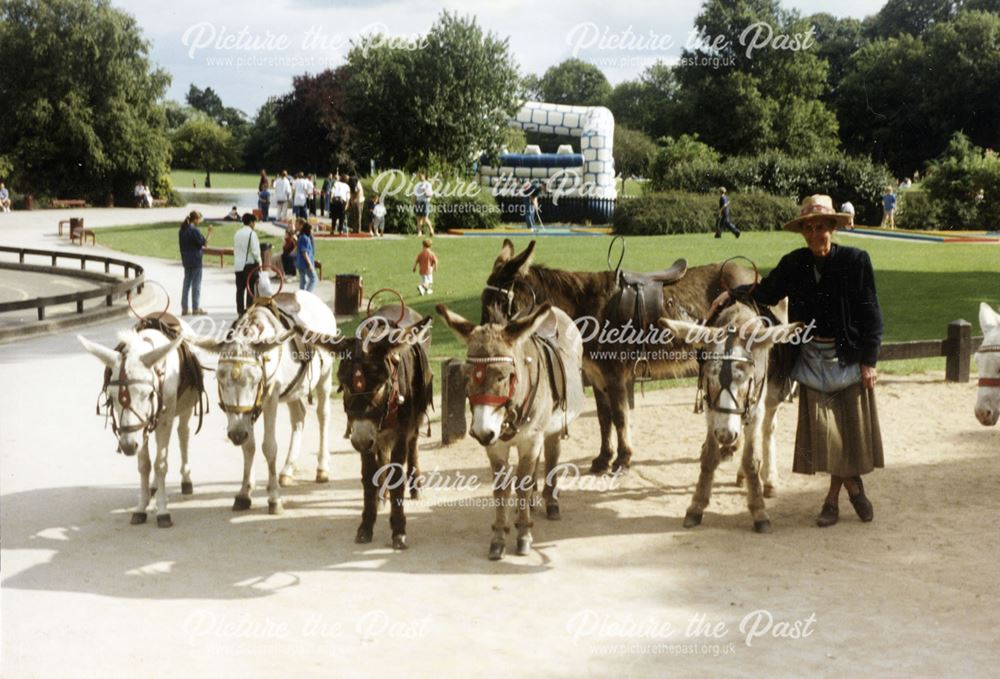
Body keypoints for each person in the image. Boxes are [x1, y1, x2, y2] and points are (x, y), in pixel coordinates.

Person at [709, 194, 884, 528]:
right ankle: (853, 488)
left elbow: (871, 313)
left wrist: (870, 361)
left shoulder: (856, 261)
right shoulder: (795, 263)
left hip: (848, 357)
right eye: (810, 228)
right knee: (826, 436)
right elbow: (765, 292)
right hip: (812, 358)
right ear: (803, 232)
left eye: (822, 227)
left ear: (833, 228)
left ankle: (833, 500)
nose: (816, 234)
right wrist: (731, 294)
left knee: (847, 435)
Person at [178, 211, 212, 316]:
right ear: (196, 219)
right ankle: (195, 308)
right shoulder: (194, 230)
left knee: (186, 284)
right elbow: (205, 244)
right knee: (196, 285)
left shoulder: (182, 230)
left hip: (186, 259)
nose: (200, 222)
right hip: (196, 260)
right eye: (200, 220)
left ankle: (184, 308)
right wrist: (210, 232)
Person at [233, 212, 262, 315]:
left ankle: (240, 310)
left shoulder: (237, 233)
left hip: (238, 264)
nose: (254, 225)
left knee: (240, 290)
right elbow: (255, 251)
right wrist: (259, 262)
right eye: (254, 222)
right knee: (250, 289)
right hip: (249, 264)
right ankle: (249, 309)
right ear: (251, 222)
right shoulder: (251, 234)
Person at [296, 221, 317, 292]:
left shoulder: (301, 237)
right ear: (308, 229)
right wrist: (309, 264)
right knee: (314, 279)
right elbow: (304, 252)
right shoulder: (305, 238)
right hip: (305, 264)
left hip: (300, 264)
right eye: (311, 230)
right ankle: (308, 295)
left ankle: (301, 295)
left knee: (303, 281)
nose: (312, 231)